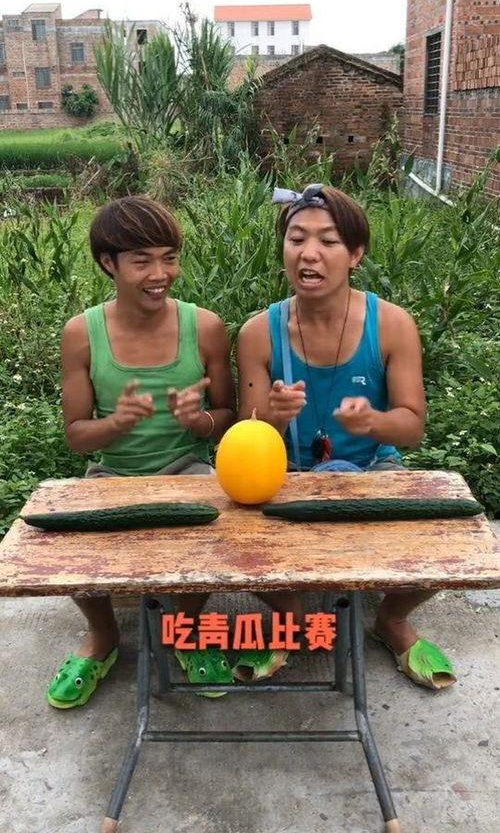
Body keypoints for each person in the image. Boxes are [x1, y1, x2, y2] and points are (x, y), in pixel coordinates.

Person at [236, 183, 456, 691]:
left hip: (374, 469)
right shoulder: (257, 333)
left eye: (328, 241)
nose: (308, 253)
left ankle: (391, 620)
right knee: (232, 545)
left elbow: (412, 426)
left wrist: (373, 421)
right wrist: (272, 419)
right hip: (287, 475)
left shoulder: (392, 324)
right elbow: (246, 437)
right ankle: (292, 618)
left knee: (449, 547)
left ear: (355, 254)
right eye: (296, 239)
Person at [47, 195, 236, 708]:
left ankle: (186, 628)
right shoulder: (82, 334)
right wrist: (116, 423)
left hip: (186, 468)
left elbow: (229, 416)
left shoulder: (205, 327)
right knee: (68, 544)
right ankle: (103, 637)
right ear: (108, 263)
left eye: (169, 258)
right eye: (142, 261)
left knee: (218, 524)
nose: (160, 274)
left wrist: (199, 421)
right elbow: (76, 435)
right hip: (114, 476)